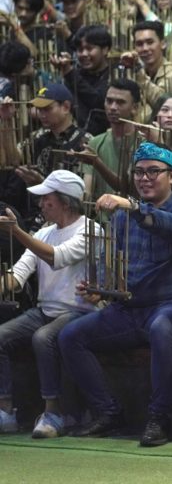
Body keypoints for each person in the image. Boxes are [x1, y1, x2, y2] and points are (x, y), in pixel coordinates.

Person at [58, 142, 172, 447]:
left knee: (162, 328)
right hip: (130, 308)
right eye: (138, 172)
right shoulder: (122, 217)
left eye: (154, 171)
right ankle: (109, 412)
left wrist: (133, 206)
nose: (145, 178)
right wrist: (102, 290)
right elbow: (117, 265)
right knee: (70, 336)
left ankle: (159, 418)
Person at [0, 171, 99, 438]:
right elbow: (18, 275)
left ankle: (54, 413)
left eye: (47, 200)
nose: (41, 205)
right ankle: (6, 412)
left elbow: (57, 257)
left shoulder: (91, 229)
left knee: (43, 338)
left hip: (79, 311)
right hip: (45, 310)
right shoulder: (43, 232)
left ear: (66, 202)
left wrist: (17, 231)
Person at [77, 79, 141, 197]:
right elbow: (87, 191)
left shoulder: (144, 144)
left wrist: (97, 163)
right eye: (109, 101)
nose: (112, 107)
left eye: (120, 102)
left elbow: (131, 190)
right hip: (101, 214)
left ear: (135, 108)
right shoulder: (95, 143)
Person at [53, 25, 111, 136]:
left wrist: (69, 72)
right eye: (80, 50)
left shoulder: (114, 74)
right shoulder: (76, 74)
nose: (84, 54)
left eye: (89, 48)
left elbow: (99, 102)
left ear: (105, 49)